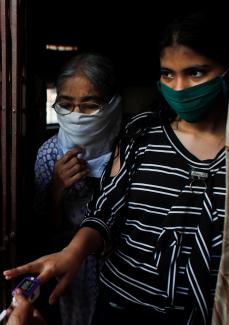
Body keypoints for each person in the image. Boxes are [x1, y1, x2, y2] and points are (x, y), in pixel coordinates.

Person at [3, 11, 229, 325]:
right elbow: (104, 210)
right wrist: (74, 248)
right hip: (119, 302)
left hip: (202, 310)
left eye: (196, 73)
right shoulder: (141, 135)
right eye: (167, 74)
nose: (180, 87)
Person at [32, 52, 122, 325]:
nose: (76, 116)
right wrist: (57, 190)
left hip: (123, 270)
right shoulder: (50, 154)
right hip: (74, 275)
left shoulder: (132, 149)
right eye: (67, 104)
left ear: (113, 104)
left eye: (89, 105)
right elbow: (39, 233)